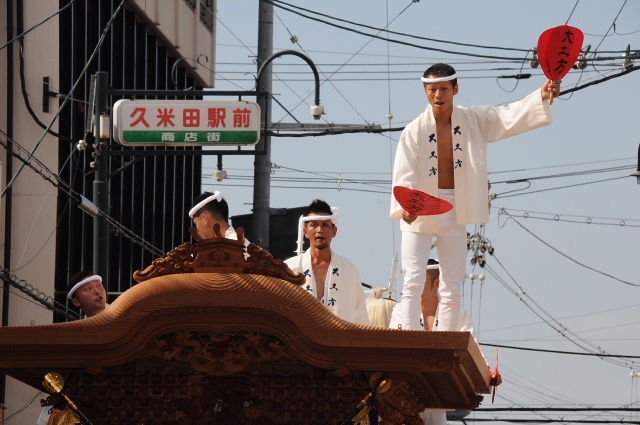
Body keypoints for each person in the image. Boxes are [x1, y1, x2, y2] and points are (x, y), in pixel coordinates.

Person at [391, 63, 560, 332]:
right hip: (422, 206)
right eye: (432, 89)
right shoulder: (413, 130)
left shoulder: (474, 120)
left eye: (444, 89)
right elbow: (404, 173)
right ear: (425, 91)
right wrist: (407, 205)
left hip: (456, 207)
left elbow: (507, 115)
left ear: (455, 89)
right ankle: (410, 339)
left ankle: (445, 341)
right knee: (412, 281)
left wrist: (541, 95)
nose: (438, 95)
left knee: (452, 284)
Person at [389, 260, 501, 425]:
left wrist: (487, 372)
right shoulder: (401, 310)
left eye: (421, 279)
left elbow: (473, 349)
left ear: (437, 283)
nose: (415, 284)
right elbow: (394, 347)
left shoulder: (458, 314)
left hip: (438, 395)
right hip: (407, 393)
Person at [284, 199, 370, 326]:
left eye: (325, 225)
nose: (320, 230)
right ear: (305, 232)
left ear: (334, 231)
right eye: (314, 225)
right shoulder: (290, 268)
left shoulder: (349, 269)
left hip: (340, 336)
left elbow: (360, 316)